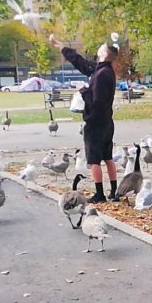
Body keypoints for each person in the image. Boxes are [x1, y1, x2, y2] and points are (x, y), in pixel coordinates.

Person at [50, 35, 119, 203]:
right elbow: (81, 63)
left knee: (94, 158)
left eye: (100, 47)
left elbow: (97, 101)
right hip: (107, 122)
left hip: (96, 123)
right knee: (108, 156)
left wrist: (83, 90)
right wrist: (62, 47)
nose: (98, 49)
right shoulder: (103, 69)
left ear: (103, 54)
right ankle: (114, 191)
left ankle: (100, 194)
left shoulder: (102, 74)